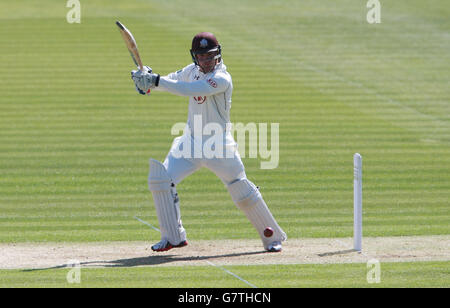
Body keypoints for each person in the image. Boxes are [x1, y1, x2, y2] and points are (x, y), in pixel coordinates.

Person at [131, 32, 287, 252]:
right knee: (161, 180)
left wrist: (155, 80)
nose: (206, 61)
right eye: (201, 57)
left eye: (210, 56)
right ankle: (173, 237)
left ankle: (272, 237)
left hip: (219, 146)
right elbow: (171, 81)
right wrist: (148, 82)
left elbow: (189, 90)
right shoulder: (191, 71)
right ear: (195, 57)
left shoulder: (222, 78)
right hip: (190, 144)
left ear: (218, 54)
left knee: (241, 190)